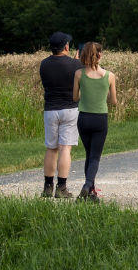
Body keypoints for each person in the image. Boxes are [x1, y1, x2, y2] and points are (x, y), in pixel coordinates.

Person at [71, 40, 117, 202]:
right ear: (100, 55)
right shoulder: (110, 76)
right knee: (95, 157)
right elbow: (113, 101)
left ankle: (90, 192)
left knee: (89, 154)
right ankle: (88, 186)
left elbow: (75, 97)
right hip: (100, 118)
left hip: (83, 117)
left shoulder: (78, 74)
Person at [39, 32, 83, 198]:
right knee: (65, 148)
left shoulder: (44, 64)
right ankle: (62, 187)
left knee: (51, 148)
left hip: (50, 109)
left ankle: (48, 187)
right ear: (66, 46)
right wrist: (76, 61)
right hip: (70, 109)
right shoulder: (75, 64)